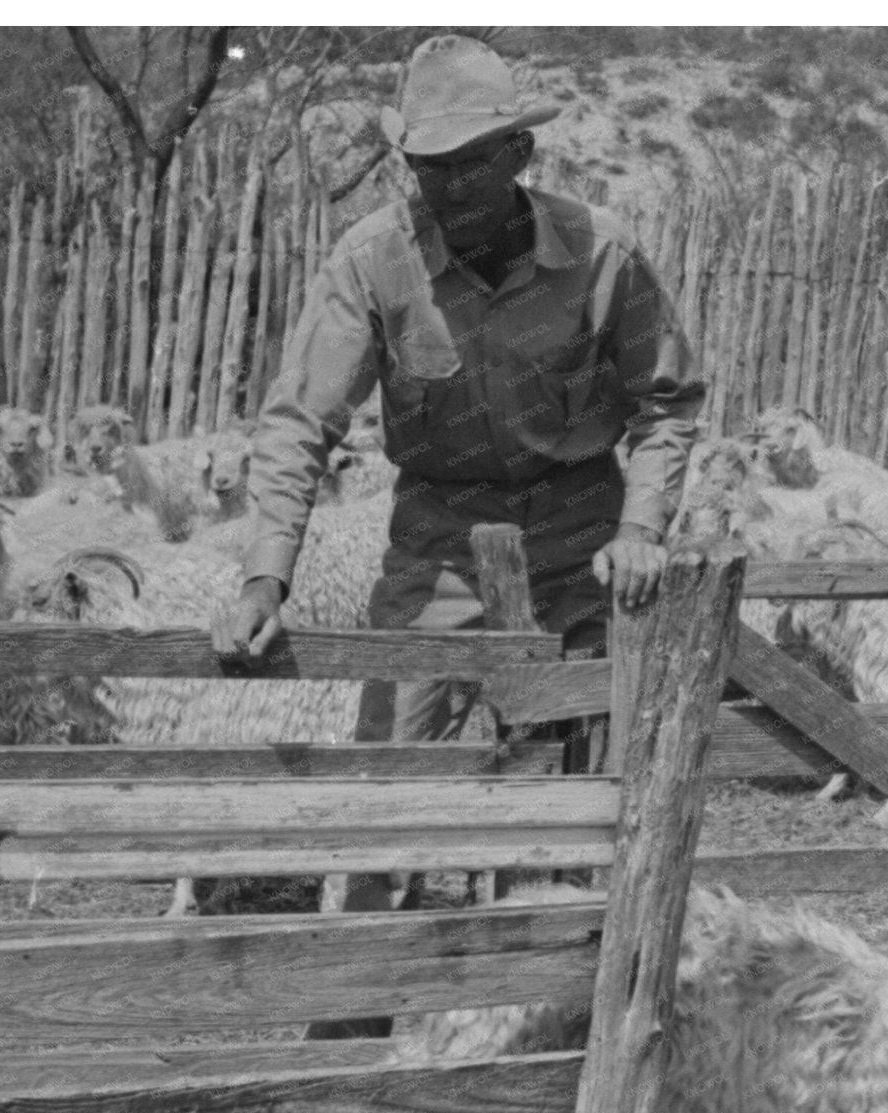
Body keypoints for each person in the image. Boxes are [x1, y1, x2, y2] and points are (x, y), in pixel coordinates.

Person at [211, 34, 703, 737]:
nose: (449, 188)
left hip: (581, 548)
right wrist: (265, 576)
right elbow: (298, 422)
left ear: (519, 155)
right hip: (440, 545)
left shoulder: (603, 253)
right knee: (394, 766)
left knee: (592, 775)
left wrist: (639, 531)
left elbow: (668, 400)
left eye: (470, 165)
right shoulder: (372, 260)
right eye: (428, 168)